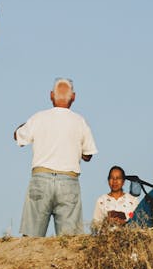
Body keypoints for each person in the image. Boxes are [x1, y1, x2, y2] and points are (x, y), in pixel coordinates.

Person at [15, 78, 97, 237]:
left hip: (41, 179)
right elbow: (88, 155)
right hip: (68, 181)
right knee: (69, 242)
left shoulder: (38, 118)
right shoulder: (79, 121)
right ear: (73, 97)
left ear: (51, 95)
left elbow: (18, 137)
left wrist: (23, 127)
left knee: (31, 239)